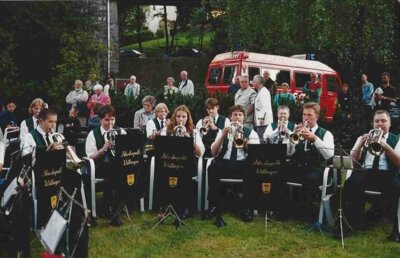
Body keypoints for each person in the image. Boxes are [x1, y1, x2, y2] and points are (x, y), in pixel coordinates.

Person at [338, 110, 400, 239]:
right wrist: (360, 143)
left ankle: (396, 229)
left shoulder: (397, 139)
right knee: (350, 183)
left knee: (397, 187)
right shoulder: (364, 137)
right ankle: (351, 223)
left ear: (390, 124)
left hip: (387, 173)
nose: (380, 124)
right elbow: (352, 163)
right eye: (377, 121)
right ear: (373, 123)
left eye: (383, 121)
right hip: (367, 172)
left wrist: (386, 146)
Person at [204, 105, 260, 225]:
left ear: (244, 118)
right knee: (212, 167)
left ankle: (246, 208)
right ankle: (213, 205)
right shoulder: (223, 130)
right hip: (225, 163)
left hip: (242, 163)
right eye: (234, 115)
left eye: (240, 115)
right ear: (230, 117)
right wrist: (222, 136)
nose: (237, 118)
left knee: (251, 170)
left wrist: (244, 141)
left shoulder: (251, 132)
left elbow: (256, 154)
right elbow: (213, 152)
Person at [281, 102, 334, 220]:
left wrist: (314, 138)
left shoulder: (326, 134)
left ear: (317, 117)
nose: (306, 118)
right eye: (304, 115)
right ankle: (284, 209)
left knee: (310, 179)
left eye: (309, 115)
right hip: (298, 165)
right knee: (278, 171)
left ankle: (305, 211)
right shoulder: (298, 130)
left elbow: (329, 155)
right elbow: (289, 153)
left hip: (316, 168)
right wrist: (291, 136)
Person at [161, 105, 205, 218]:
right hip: (170, 160)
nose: (181, 119)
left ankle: (185, 207)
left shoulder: (193, 131)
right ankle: (166, 204)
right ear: (174, 117)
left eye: (184, 117)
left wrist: (190, 140)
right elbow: (160, 149)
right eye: (178, 116)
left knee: (186, 172)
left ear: (188, 118)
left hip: (187, 162)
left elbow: (200, 153)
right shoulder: (167, 130)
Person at [85, 105, 125, 227]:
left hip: (118, 166)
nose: (110, 122)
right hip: (99, 166)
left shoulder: (121, 131)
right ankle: (112, 209)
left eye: (112, 119)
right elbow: (90, 157)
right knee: (112, 170)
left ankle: (115, 208)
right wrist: (103, 149)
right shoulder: (93, 134)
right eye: (107, 120)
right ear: (101, 120)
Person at [253, 75, 273, 141]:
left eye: (253, 81)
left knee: (262, 139)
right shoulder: (260, 91)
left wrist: (262, 118)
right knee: (261, 138)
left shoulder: (264, 92)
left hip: (263, 122)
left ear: (258, 83)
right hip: (261, 121)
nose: (252, 83)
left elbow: (265, 106)